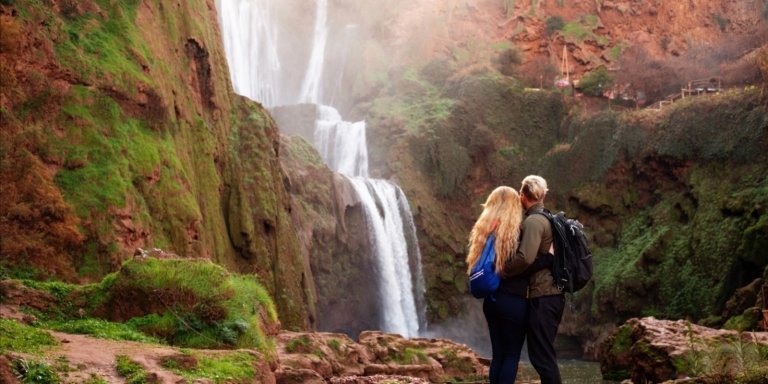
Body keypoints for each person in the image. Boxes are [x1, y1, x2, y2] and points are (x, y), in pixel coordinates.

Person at [466, 186, 553, 384]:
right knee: (511, 356)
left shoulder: (484, 230)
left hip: (492, 301)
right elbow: (522, 265)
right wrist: (547, 258)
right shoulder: (515, 233)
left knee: (498, 355)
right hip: (513, 302)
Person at [505, 175, 564, 384]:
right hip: (553, 295)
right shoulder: (548, 217)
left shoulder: (533, 221)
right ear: (543, 195)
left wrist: (503, 271)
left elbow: (525, 258)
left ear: (522, 195)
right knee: (544, 355)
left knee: (542, 357)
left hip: (543, 296)